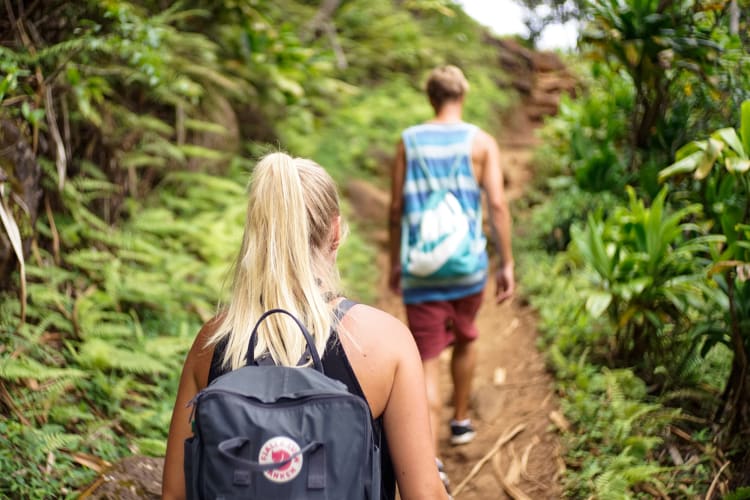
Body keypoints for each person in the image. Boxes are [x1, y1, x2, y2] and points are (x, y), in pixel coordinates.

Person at [162, 152, 449, 500]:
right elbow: (424, 494)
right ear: (336, 232)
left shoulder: (212, 344)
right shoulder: (384, 341)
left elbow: (175, 495)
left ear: (256, 231)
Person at [388, 65, 515, 465]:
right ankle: (460, 422)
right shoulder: (481, 143)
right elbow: (496, 204)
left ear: (431, 97)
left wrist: (396, 260)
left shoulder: (408, 141)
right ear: (463, 95)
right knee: (465, 337)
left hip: (421, 266)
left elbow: (395, 209)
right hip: (467, 265)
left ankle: (428, 457)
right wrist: (505, 263)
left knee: (425, 358)